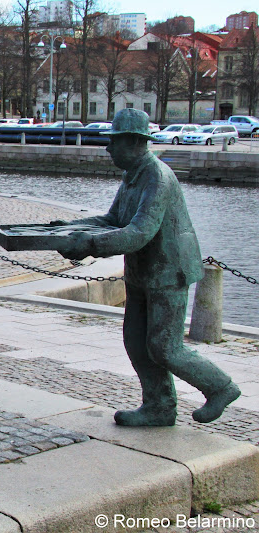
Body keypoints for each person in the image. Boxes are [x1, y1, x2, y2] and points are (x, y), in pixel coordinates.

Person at [56, 109, 240, 426]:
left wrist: (88, 244)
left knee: (164, 347)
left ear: (133, 142)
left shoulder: (157, 178)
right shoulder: (132, 177)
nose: (108, 148)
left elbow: (138, 232)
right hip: (142, 271)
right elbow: (112, 221)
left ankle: (221, 387)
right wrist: (70, 227)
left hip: (169, 271)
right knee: (135, 340)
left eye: (113, 142)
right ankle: (159, 407)